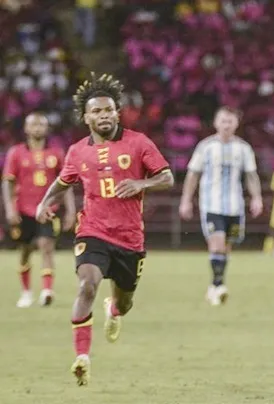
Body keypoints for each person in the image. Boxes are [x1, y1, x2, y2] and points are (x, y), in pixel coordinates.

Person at [35, 72, 175, 386]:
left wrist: (141, 182)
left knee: (124, 302)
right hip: (93, 231)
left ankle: (114, 310)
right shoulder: (77, 151)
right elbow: (63, 182)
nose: (104, 115)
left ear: (117, 112)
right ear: (86, 117)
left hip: (130, 238)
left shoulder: (138, 142)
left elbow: (167, 177)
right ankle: (82, 357)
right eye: (97, 111)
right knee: (86, 285)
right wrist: (45, 203)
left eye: (109, 110)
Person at [179, 106, 263, 305]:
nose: (226, 125)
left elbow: (251, 175)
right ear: (216, 123)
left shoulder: (243, 148)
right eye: (223, 121)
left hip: (235, 207)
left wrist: (257, 197)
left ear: (236, 124)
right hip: (211, 205)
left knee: (226, 247)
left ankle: (215, 285)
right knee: (216, 242)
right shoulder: (205, 147)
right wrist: (186, 200)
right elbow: (193, 174)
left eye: (230, 121)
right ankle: (218, 285)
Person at [3, 112, 76, 307]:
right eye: (33, 125)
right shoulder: (16, 153)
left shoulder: (56, 153)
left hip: (48, 210)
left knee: (46, 246)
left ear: (47, 129)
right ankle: (26, 292)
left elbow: (65, 184)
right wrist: (10, 209)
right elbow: (7, 183)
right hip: (23, 210)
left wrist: (70, 210)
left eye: (41, 125)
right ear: (26, 129)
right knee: (25, 250)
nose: (37, 128)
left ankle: (46, 291)